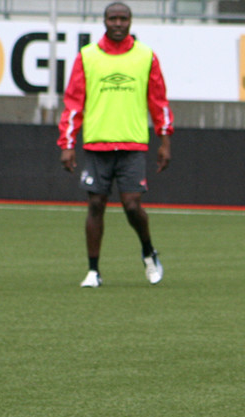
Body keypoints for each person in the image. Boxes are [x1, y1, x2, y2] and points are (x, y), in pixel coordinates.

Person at [58, 1, 174, 288]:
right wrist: (67, 144)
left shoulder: (146, 56)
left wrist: (165, 141)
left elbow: (158, 101)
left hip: (132, 144)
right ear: (105, 21)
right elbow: (74, 103)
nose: (118, 23)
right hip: (97, 144)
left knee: (132, 206)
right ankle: (93, 271)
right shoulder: (87, 56)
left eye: (123, 18)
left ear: (130, 22)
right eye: (113, 18)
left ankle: (148, 252)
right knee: (96, 204)